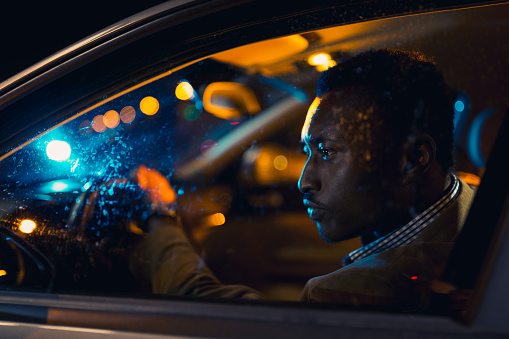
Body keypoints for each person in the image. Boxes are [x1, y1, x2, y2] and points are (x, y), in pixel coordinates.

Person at [131, 49, 475, 311]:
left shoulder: (349, 295)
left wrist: (161, 220)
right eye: (306, 152)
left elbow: (210, 318)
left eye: (326, 151)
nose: (304, 180)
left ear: (413, 159)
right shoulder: (480, 206)